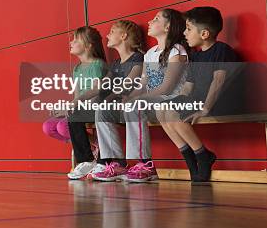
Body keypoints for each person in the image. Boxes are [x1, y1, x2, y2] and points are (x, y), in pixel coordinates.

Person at [93, 9, 188, 182]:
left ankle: (146, 164)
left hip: (169, 101)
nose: (150, 22)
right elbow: (143, 83)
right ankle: (117, 163)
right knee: (103, 110)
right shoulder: (150, 54)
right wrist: (129, 97)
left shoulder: (177, 50)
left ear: (168, 27)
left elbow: (167, 87)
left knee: (134, 105)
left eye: (156, 19)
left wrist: (137, 99)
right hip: (151, 101)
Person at [158, 7, 237, 182]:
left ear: (204, 34)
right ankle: (192, 161)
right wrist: (174, 101)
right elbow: (188, 88)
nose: (185, 33)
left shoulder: (221, 50)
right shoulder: (196, 57)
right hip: (201, 99)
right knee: (162, 110)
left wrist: (205, 108)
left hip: (220, 101)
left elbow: (218, 82)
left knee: (173, 112)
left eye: (189, 29)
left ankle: (202, 155)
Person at [42, 26, 107, 180]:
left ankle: (87, 159)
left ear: (88, 45)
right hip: (81, 108)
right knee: (49, 126)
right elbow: (77, 95)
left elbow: (97, 91)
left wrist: (76, 105)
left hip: (96, 107)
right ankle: (93, 145)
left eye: (75, 40)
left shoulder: (98, 64)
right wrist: (67, 108)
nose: (71, 42)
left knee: (64, 125)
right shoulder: (77, 69)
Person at [89, 20, 145, 181]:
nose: (107, 35)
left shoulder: (138, 58)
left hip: (134, 104)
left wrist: (108, 97)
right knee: (101, 111)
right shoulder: (115, 64)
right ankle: (117, 162)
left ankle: (142, 164)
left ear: (123, 36)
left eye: (112, 31)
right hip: (120, 105)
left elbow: (130, 82)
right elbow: (104, 85)